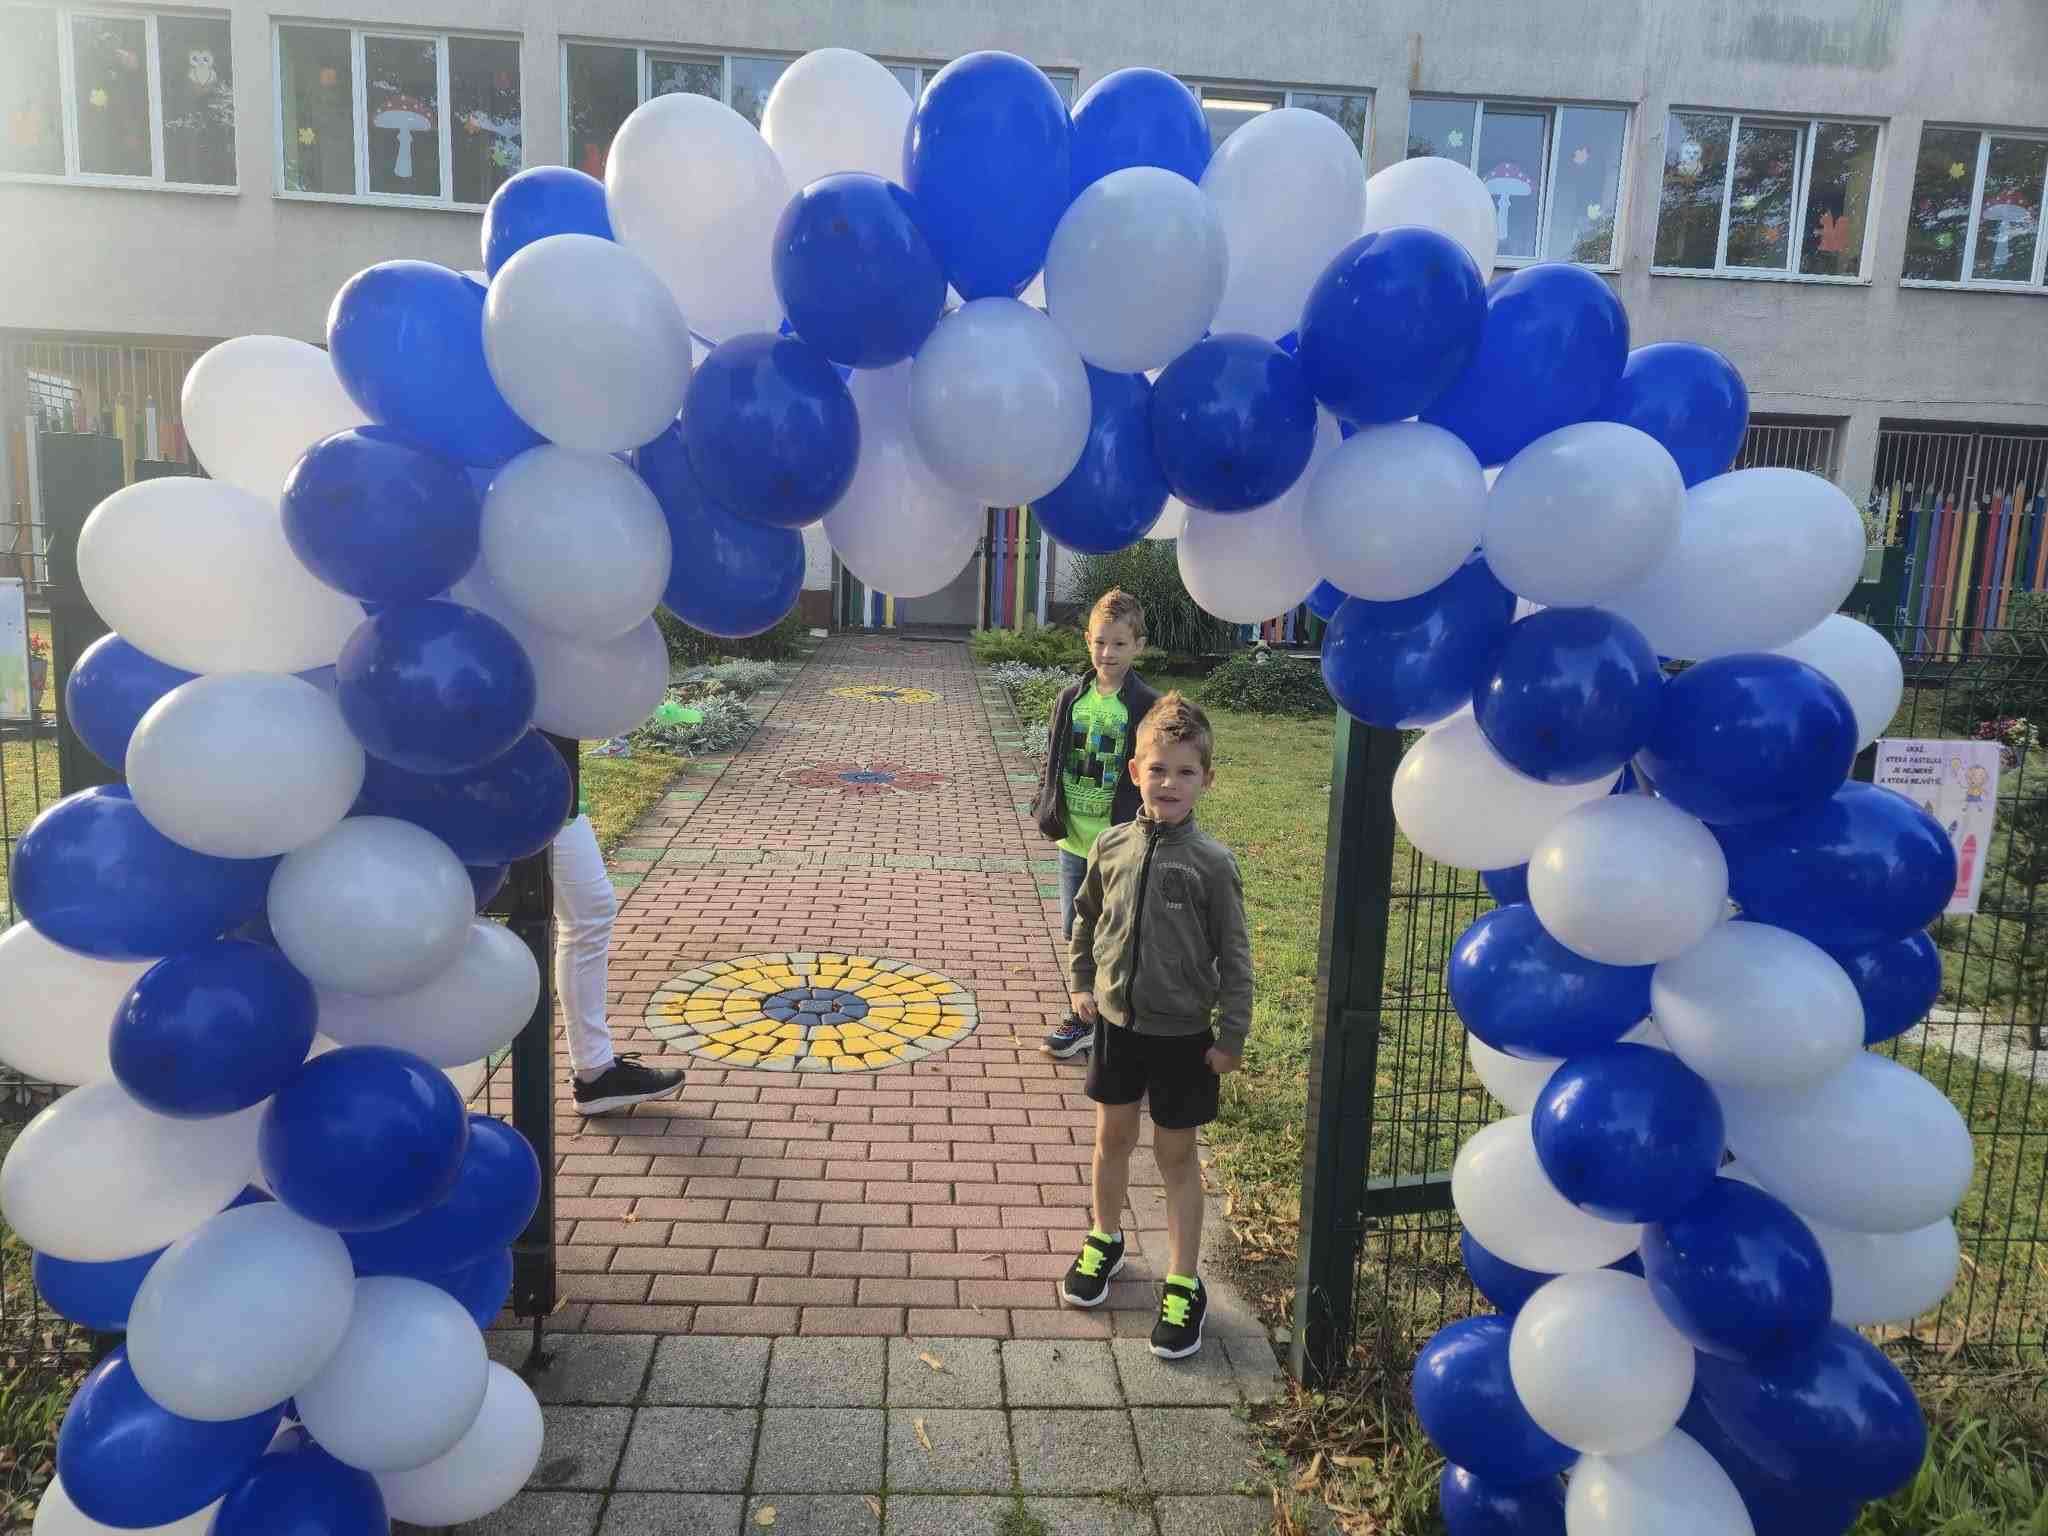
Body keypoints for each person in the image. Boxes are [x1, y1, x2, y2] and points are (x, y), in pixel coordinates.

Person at [1059, 693, 1252, 1360]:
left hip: (1183, 1038)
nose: (1169, 783)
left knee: (1176, 1158)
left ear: (1206, 779)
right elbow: (1086, 917)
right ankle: (1105, 1238)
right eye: (1158, 769)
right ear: (1135, 771)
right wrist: (1082, 981)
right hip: (1117, 1026)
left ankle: (1183, 1282)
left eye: (1185, 771)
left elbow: (1236, 956)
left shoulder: (1212, 863)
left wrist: (1231, 1036)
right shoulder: (1110, 845)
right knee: (1110, 1140)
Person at [1034, 589, 1160, 1059]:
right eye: (1101, 642)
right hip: (1073, 841)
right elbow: (1052, 756)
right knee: (1075, 931)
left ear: (1138, 646)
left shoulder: (1145, 704)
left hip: (1119, 843)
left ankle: (1113, 1019)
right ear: (1087, 640)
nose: (1108, 653)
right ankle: (1085, 1016)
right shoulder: (1071, 698)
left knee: (1117, 933)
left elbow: (1155, 770)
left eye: (1120, 644)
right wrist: (1045, 803)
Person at [550, 793, 686, 1116]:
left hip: (549, 788)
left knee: (589, 916)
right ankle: (594, 1072)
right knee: (587, 918)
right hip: (520, 788)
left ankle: (595, 1071)